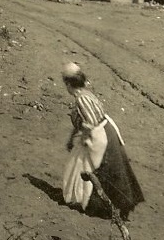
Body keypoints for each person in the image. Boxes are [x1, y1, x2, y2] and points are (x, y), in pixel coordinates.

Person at [60, 63, 144, 221]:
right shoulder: (86, 93)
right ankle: (113, 206)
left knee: (92, 169)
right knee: (111, 169)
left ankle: (99, 206)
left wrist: (83, 139)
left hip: (100, 134)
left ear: (69, 84)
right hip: (106, 130)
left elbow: (89, 122)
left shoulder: (82, 99)